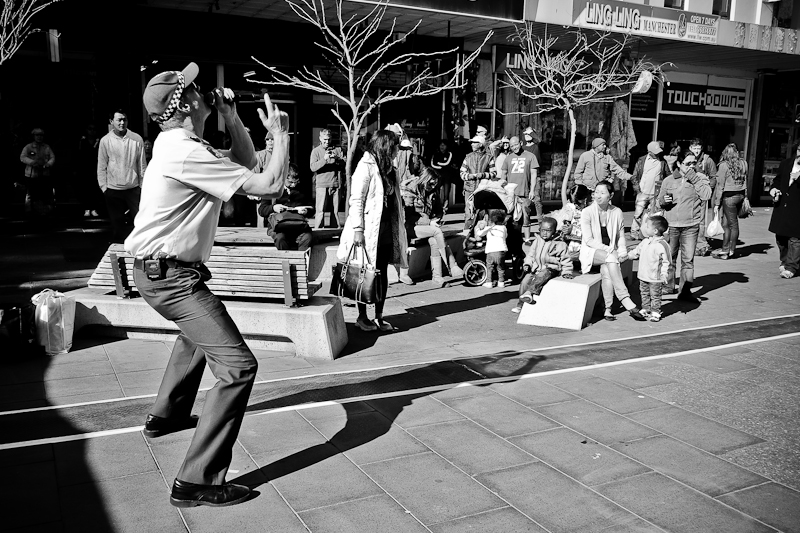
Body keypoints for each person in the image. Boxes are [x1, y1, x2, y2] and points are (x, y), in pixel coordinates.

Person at [125, 62, 290, 508]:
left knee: (196, 336)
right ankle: (196, 481)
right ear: (187, 104)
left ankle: (166, 416)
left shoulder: (177, 142)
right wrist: (281, 132)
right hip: (171, 277)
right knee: (238, 367)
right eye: (196, 88)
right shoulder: (186, 152)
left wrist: (233, 119)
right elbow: (269, 184)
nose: (206, 91)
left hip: (162, 272)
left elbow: (247, 165)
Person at [338, 129, 407, 332]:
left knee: (381, 273)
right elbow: (356, 200)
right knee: (363, 272)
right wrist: (358, 229)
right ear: (386, 146)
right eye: (395, 146)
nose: (397, 151)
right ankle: (362, 316)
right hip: (368, 230)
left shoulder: (390, 169)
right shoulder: (365, 166)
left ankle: (379, 315)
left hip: (385, 229)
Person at [580, 180, 645, 321]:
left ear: (611, 195)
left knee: (607, 270)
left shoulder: (617, 212)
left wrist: (621, 250)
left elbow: (620, 235)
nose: (598, 196)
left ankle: (607, 308)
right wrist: (610, 250)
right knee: (610, 259)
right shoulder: (587, 212)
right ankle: (625, 299)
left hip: (609, 256)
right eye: (596, 192)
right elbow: (589, 241)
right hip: (591, 252)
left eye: (602, 193)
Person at [657, 152, 712, 303]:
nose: (692, 166)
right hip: (672, 225)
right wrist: (664, 201)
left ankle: (685, 291)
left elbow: (707, 195)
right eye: (688, 164)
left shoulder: (700, 178)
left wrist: (694, 178)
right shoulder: (669, 180)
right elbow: (659, 202)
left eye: (694, 163)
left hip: (690, 226)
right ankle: (668, 286)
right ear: (679, 164)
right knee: (669, 258)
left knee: (687, 261)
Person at [401, 163, 462, 286]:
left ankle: (437, 277)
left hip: (426, 226)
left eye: (435, 183)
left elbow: (439, 210)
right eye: (431, 183)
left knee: (435, 241)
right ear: (425, 180)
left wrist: (436, 219)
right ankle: (451, 265)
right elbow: (408, 216)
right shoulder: (411, 190)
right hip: (411, 227)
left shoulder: (433, 191)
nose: (433, 186)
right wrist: (429, 222)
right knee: (437, 232)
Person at [98, 110, 147, 242]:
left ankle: (138, 247)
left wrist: (142, 187)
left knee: (139, 221)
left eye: (124, 119)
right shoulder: (105, 141)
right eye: (119, 120)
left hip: (133, 188)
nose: (122, 123)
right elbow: (102, 166)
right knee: (117, 223)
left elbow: (141, 165)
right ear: (111, 122)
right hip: (113, 189)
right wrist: (104, 187)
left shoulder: (136, 139)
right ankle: (119, 249)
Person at [512, 216, 572, 313]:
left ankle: (529, 292)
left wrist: (567, 272)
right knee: (525, 281)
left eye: (548, 231)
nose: (545, 233)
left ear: (554, 231)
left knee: (542, 275)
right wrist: (527, 264)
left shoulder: (559, 244)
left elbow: (566, 259)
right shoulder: (537, 241)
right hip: (536, 268)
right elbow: (530, 255)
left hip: (551, 268)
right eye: (543, 230)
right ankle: (520, 304)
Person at [258, 163, 314, 250]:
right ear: (284, 178)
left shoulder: (301, 190)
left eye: (296, 182)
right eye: (291, 182)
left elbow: (312, 208)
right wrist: (274, 208)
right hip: (278, 227)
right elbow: (262, 210)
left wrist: (306, 211)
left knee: (307, 238)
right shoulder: (272, 189)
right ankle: (286, 260)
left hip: (298, 226)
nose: (294, 185)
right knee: (280, 238)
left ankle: (300, 261)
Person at [628, 215, 671, 322]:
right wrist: (626, 256)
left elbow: (667, 261)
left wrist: (664, 274)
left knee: (655, 295)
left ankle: (656, 311)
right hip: (643, 275)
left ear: (655, 231)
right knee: (644, 293)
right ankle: (646, 309)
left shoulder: (662, 245)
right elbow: (636, 252)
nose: (645, 228)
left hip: (655, 277)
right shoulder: (645, 242)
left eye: (647, 226)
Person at [768, 143, 800, 279]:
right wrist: (773, 189)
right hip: (782, 205)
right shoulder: (786, 163)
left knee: (795, 238)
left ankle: (792, 266)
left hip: (797, 207)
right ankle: (785, 260)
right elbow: (777, 180)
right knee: (780, 236)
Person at [712, 143, 748, 260]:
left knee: (732, 224)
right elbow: (745, 181)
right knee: (726, 224)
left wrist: (717, 203)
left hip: (729, 197)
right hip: (740, 195)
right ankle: (725, 250)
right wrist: (746, 196)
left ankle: (731, 250)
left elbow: (720, 186)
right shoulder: (743, 163)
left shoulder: (723, 165)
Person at [502, 135, 540, 239]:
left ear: (521, 143)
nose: (514, 147)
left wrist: (532, 190)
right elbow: (504, 174)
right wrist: (503, 189)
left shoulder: (530, 156)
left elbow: (534, 175)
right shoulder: (508, 158)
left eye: (516, 144)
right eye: (512, 146)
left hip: (525, 192)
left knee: (526, 216)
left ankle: (527, 240)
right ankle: (515, 240)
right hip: (511, 194)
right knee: (513, 218)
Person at [688, 138, 718, 256]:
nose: (696, 150)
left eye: (698, 148)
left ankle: (700, 242)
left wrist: (707, 190)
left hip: (701, 194)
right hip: (688, 193)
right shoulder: (687, 158)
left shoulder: (707, 160)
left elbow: (713, 176)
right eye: (694, 148)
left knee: (700, 219)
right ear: (690, 148)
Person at [310, 128, 344, 228]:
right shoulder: (316, 151)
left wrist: (337, 158)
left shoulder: (337, 150)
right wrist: (324, 159)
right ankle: (318, 233)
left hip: (335, 183)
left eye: (328, 139)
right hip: (321, 184)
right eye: (324, 139)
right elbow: (313, 167)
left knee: (335, 211)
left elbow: (345, 164)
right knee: (320, 211)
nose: (327, 142)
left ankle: (335, 232)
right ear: (320, 138)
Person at [19, 127, 56, 216]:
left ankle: (42, 211)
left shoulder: (47, 147)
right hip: (31, 174)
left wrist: (48, 164)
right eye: (37, 135)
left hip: (44, 174)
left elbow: (52, 157)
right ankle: (28, 211)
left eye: (41, 135)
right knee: (30, 193)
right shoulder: (28, 147)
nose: (39, 137)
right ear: (33, 136)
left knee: (43, 193)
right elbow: (22, 157)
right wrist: (32, 162)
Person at [459, 134, 495, 224]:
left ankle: (479, 235)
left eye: (474, 142)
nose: (472, 144)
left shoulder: (489, 157)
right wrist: (470, 176)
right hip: (469, 190)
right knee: (468, 214)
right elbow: (461, 173)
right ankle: (466, 235)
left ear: (480, 144)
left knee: (481, 214)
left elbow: (494, 174)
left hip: (482, 190)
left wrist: (483, 175)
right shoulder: (468, 157)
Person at [476, 209, 508, 288]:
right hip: (501, 250)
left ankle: (489, 282)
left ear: (492, 220)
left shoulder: (489, 228)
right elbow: (506, 236)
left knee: (489, 267)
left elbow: (479, 234)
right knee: (501, 267)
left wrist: (477, 228)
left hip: (491, 251)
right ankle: (501, 282)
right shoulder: (504, 228)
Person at [77, 124, 101, 217]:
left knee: (95, 189)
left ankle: (94, 208)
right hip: (84, 168)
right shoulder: (82, 141)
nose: (92, 131)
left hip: (96, 168)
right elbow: (78, 155)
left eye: (94, 129)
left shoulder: (99, 141)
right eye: (90, 129)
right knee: (85, 189)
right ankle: (86, 208)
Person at [431, 139, 456, 214]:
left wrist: (439, 164)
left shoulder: (449, 154)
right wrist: (440, 165)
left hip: (447, 177)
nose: (442, 146)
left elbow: (447, 163)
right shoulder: (435, 154)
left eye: (444, 145)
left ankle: (445, 208)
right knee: (436, 192)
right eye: (441, 145)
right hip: (438, 176)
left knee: (446, 193)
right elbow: (433, 164)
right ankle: (436, 207)